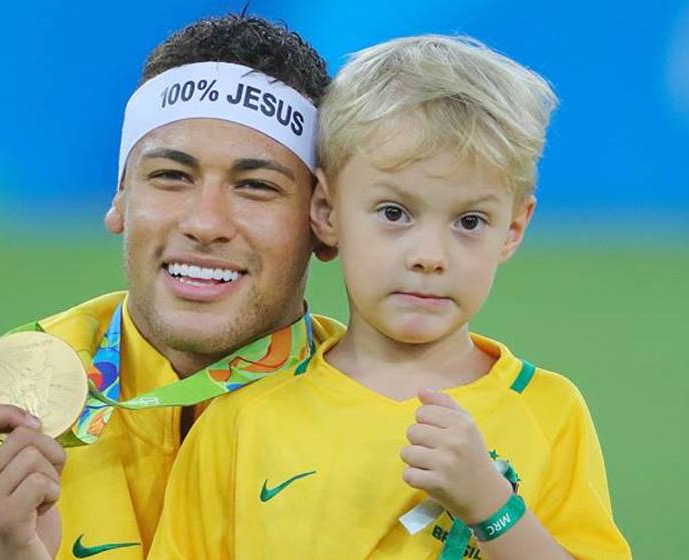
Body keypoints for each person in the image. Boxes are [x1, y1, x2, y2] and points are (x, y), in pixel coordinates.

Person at [149, 35, 631, 559]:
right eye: (394, 213)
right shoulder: (242, 418)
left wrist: (493, 508)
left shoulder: (548, 411)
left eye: (470, 221)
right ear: (327, 211)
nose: (430, 256)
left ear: (513, 229)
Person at [0, 14, 342, 560]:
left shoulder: (392, 428)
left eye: (256, 186)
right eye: (171, 176)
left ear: (323, 221)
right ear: (120, 199)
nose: (205, 223)